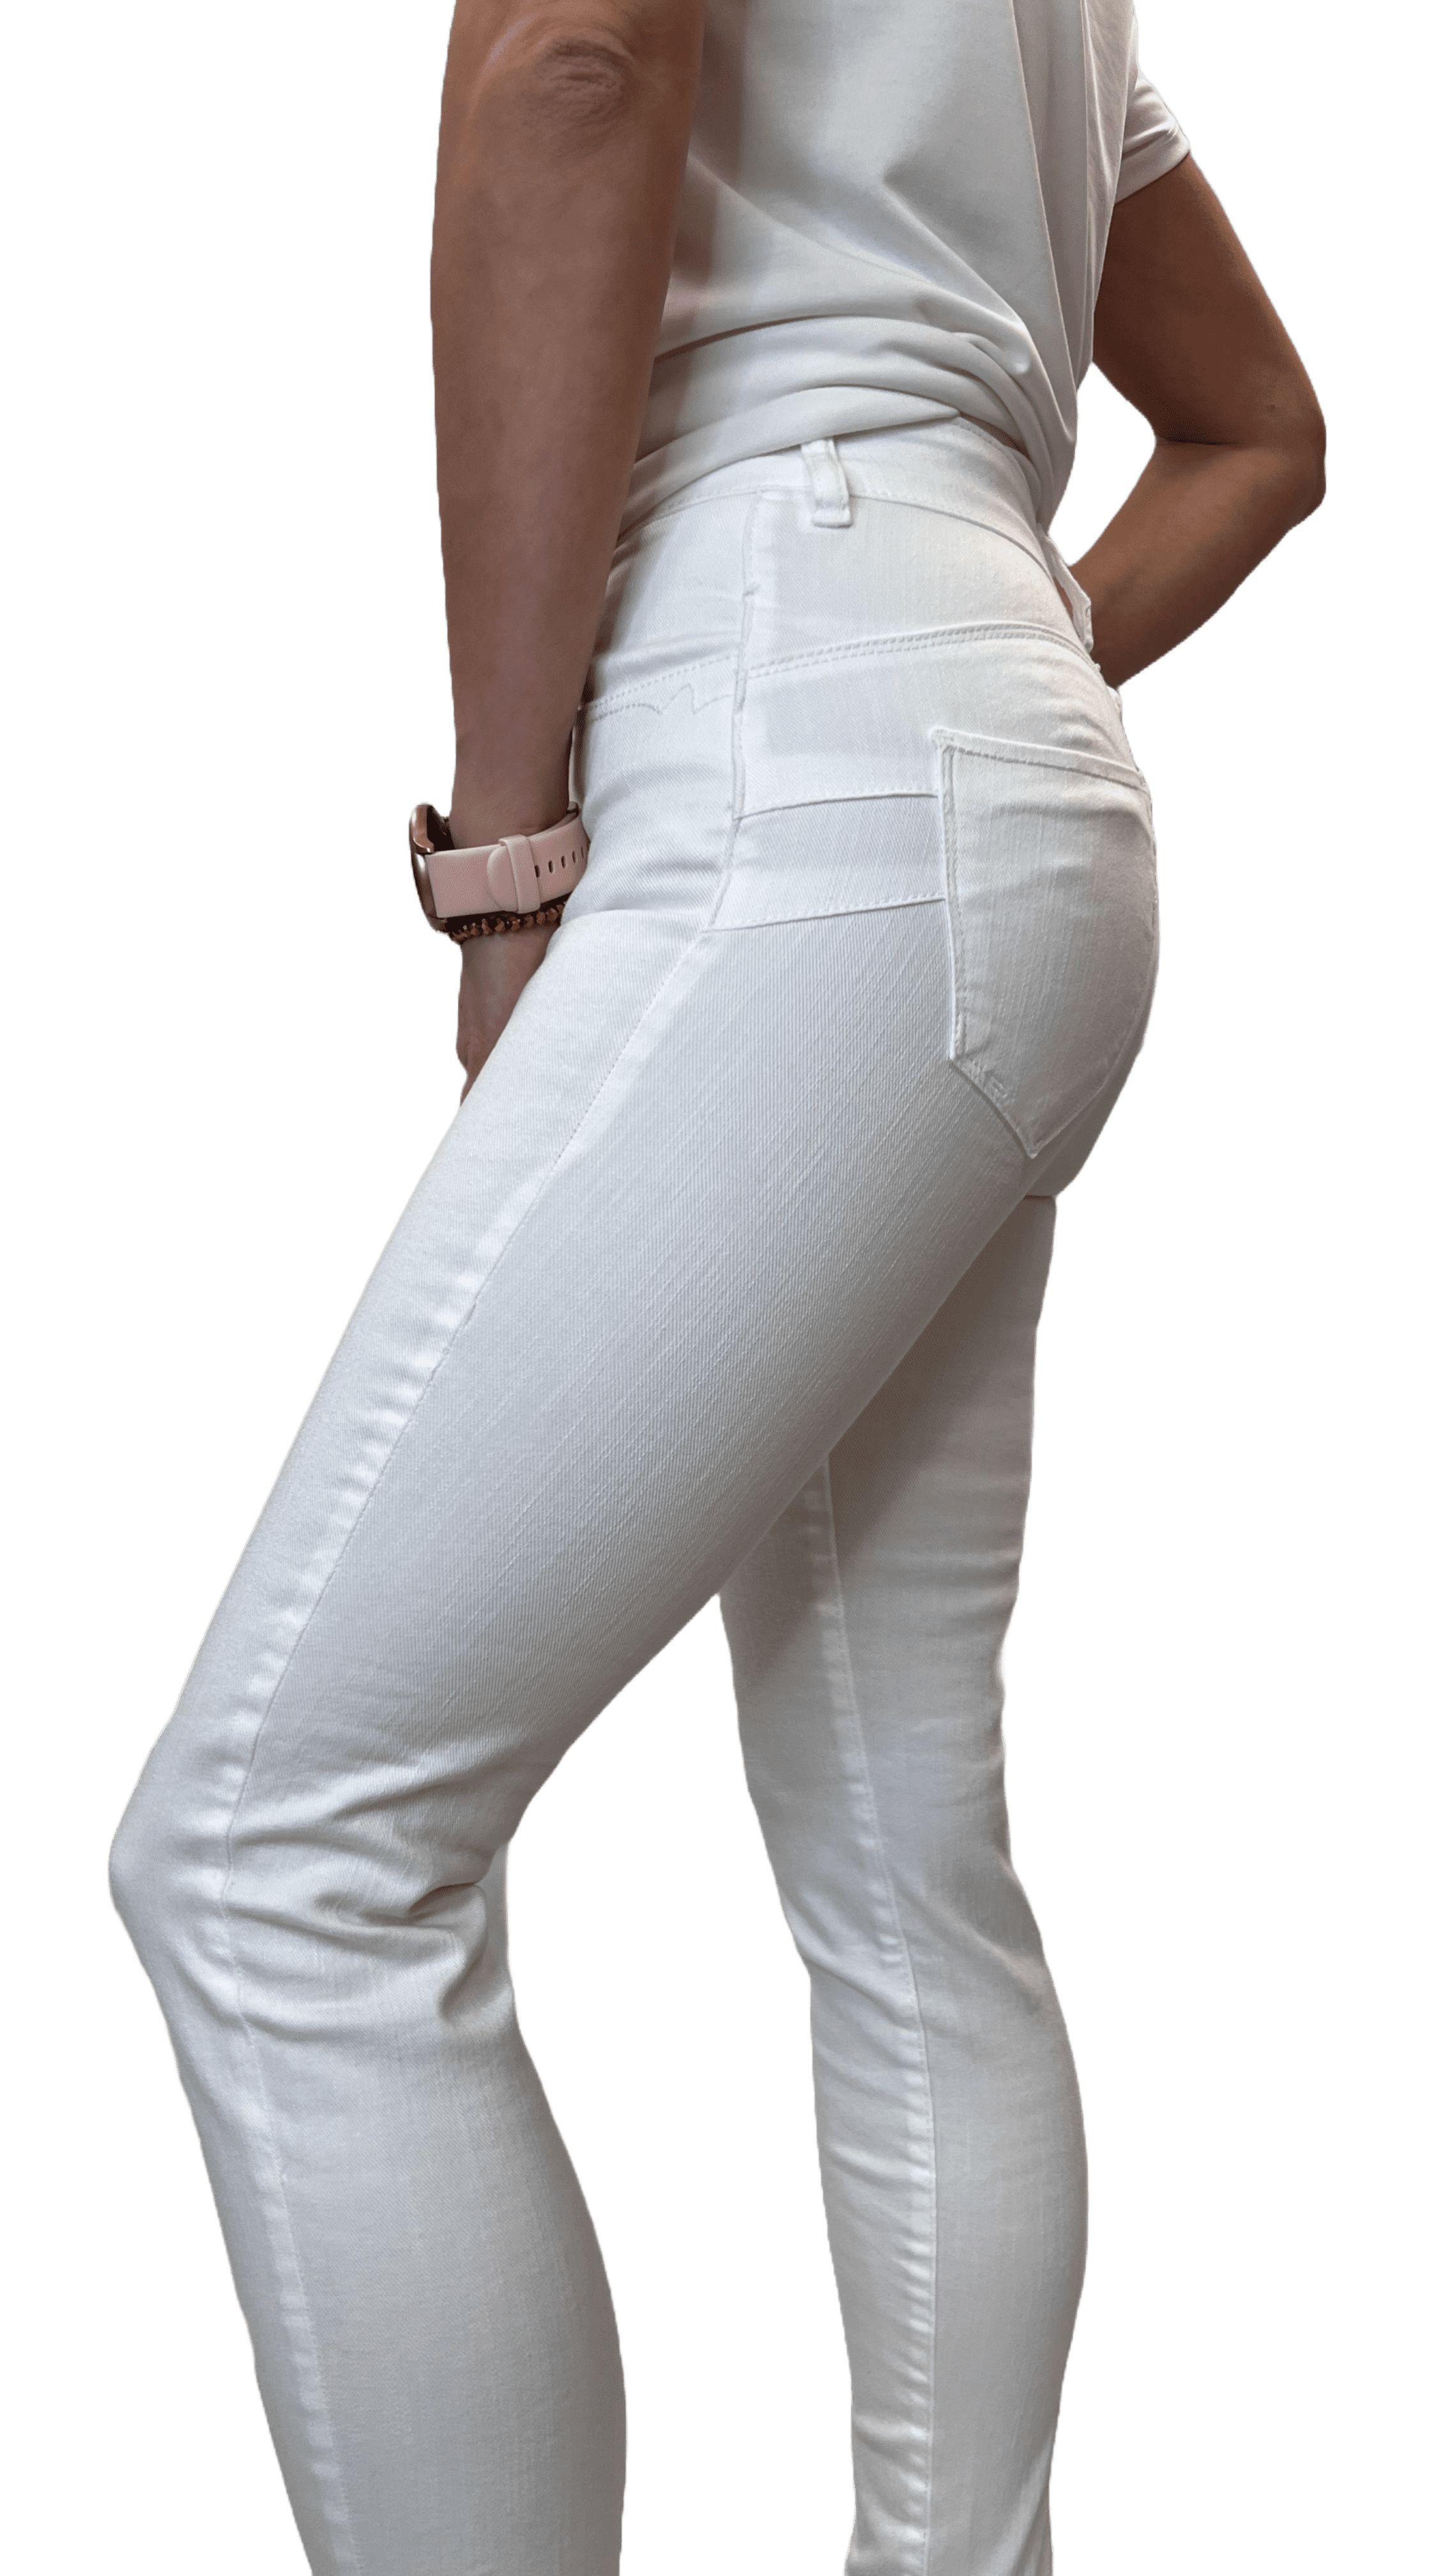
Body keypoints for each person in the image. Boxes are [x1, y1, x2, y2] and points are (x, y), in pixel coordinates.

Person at [108, 3, 1325, 2568]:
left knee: (280, 1859)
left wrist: (508, 853)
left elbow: (575, 61)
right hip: (977, 772)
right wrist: (996, 664)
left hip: (793, 752)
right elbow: (1259, 430)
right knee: (906, 1874)